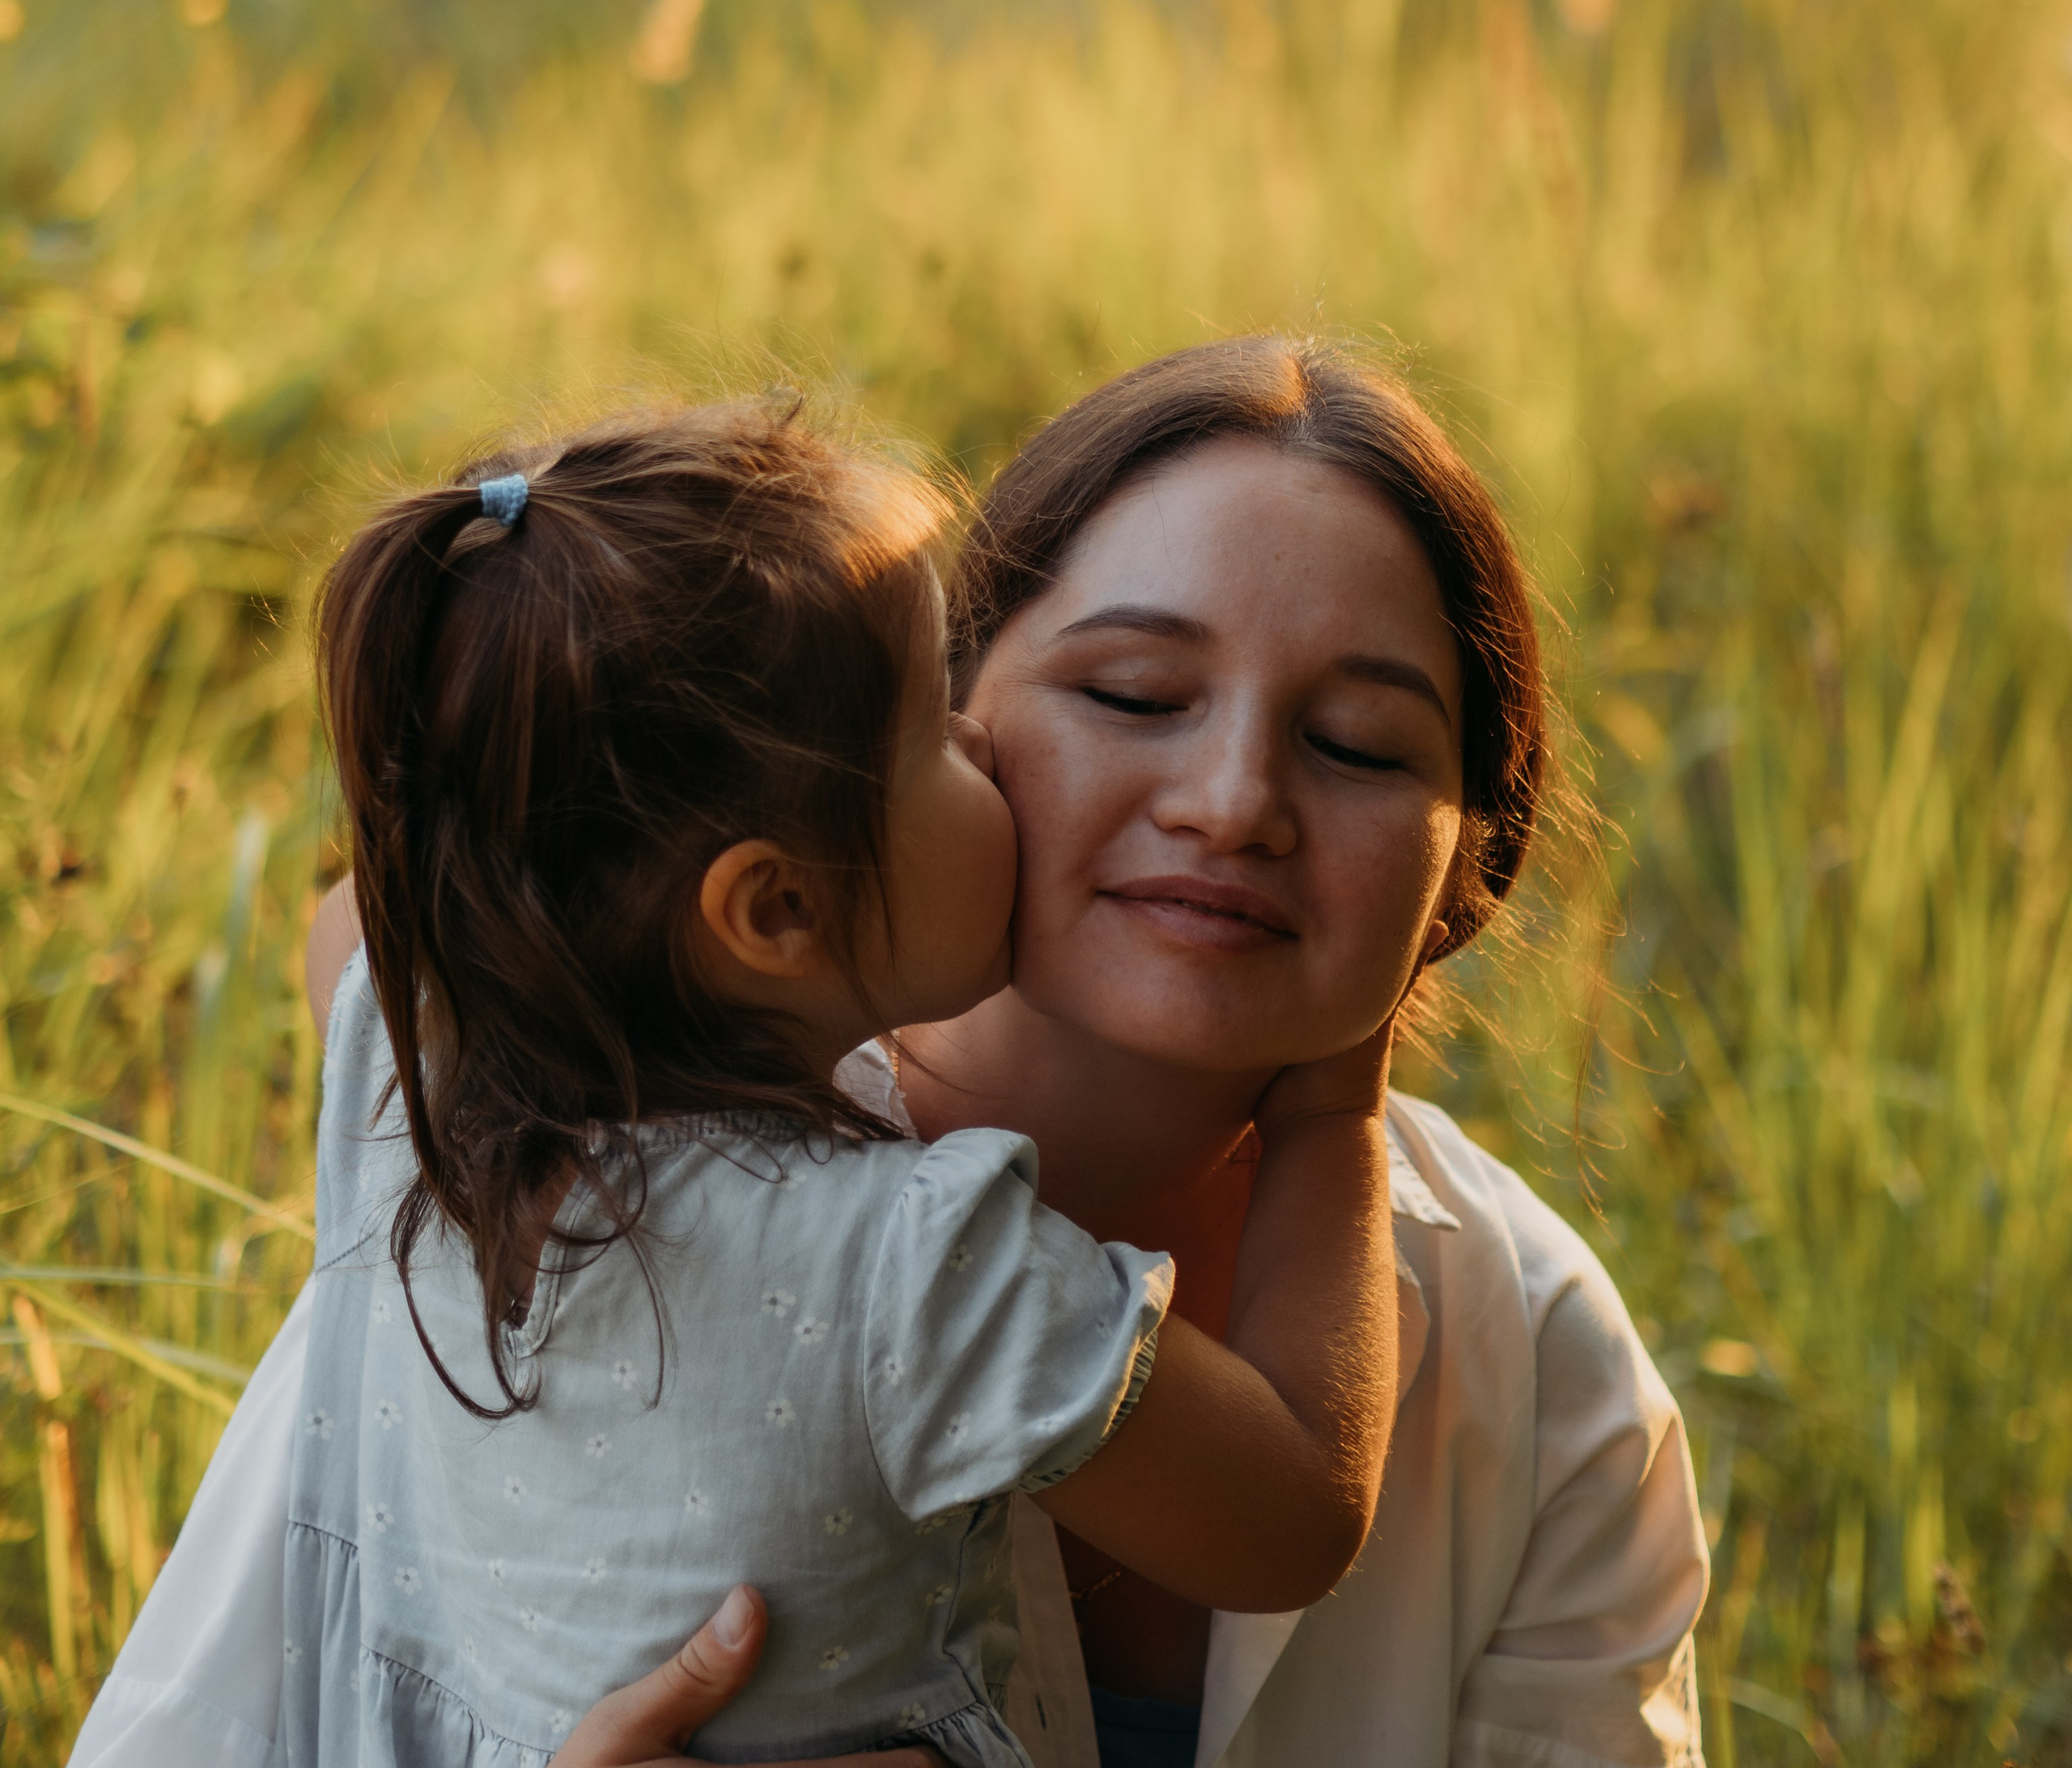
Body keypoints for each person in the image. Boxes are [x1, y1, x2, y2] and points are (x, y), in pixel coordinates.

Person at [73, 338, 1709, 1768]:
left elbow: (373, 931)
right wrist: (1329, 1115)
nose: (1231, 803)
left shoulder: (1543, 1368)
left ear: (1466, 868)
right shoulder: (534, 1135)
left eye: (1356, 745)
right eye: (1131, 693)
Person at [280, 403, 1403, 1767]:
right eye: (934, 725)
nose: (984, 744)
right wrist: (1334, 1118)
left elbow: (358, 912)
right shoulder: (915, 1262)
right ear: (778, 909)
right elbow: (1292, 1511)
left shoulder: (415, 1073)